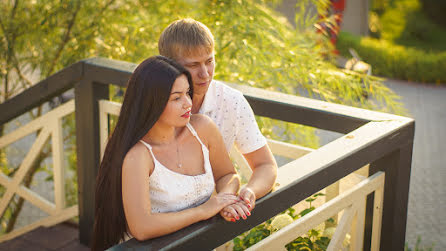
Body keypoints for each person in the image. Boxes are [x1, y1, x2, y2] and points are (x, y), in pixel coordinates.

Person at [92, 56, 245, 251]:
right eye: (176, 98)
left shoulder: (203, 128)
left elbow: (227, 175)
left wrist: (225, 200)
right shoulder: (138, 156)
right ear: (151, 103)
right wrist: (204, 211)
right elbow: (142, 227)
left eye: (188, 93)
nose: (188, 103)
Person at [158, 18, 278, 219]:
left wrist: (250, 192)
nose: (205, 73)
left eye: (209, 61)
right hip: (158, 219)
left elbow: (266, 165)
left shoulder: (231, 101)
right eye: (193, 65)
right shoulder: (152, 100)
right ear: (168, 65)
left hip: (212, 219)